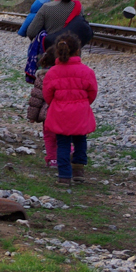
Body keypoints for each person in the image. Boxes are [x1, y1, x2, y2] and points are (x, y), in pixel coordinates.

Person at [42, 33, 97, 185]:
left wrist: (57, 104)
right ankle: (78, 170)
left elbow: (47, 95)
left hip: (60, 112)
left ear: (57, 51)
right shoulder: (86, 71)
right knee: (80, 140)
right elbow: (92, 93)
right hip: (80, 111)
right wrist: (83, 103)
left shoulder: (52, 72)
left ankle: (64, 175)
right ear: (78, 51)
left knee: (63, 143)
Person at [27, 44, 64, 169]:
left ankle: (52, 159)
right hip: (64, 112)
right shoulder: (66, 75)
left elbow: (36, 99)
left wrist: (32, 116)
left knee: (49, 136)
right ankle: (68, 150)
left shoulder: (43, 77)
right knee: (63, 134)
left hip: (47, 113)